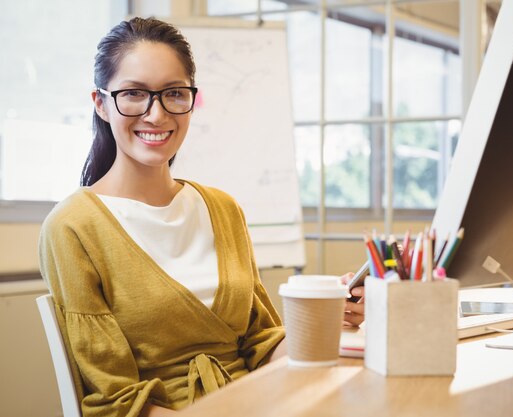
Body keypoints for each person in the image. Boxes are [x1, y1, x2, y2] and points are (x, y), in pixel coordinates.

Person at [38, 17, 363, 417]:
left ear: (192, 99)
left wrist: (328, 316)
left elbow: (262, 346)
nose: (156, 115)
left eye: (174, 93)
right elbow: (113, 401)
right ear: (101, 104)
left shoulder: (223, 209)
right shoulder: (72, 226)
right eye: (135, 94)